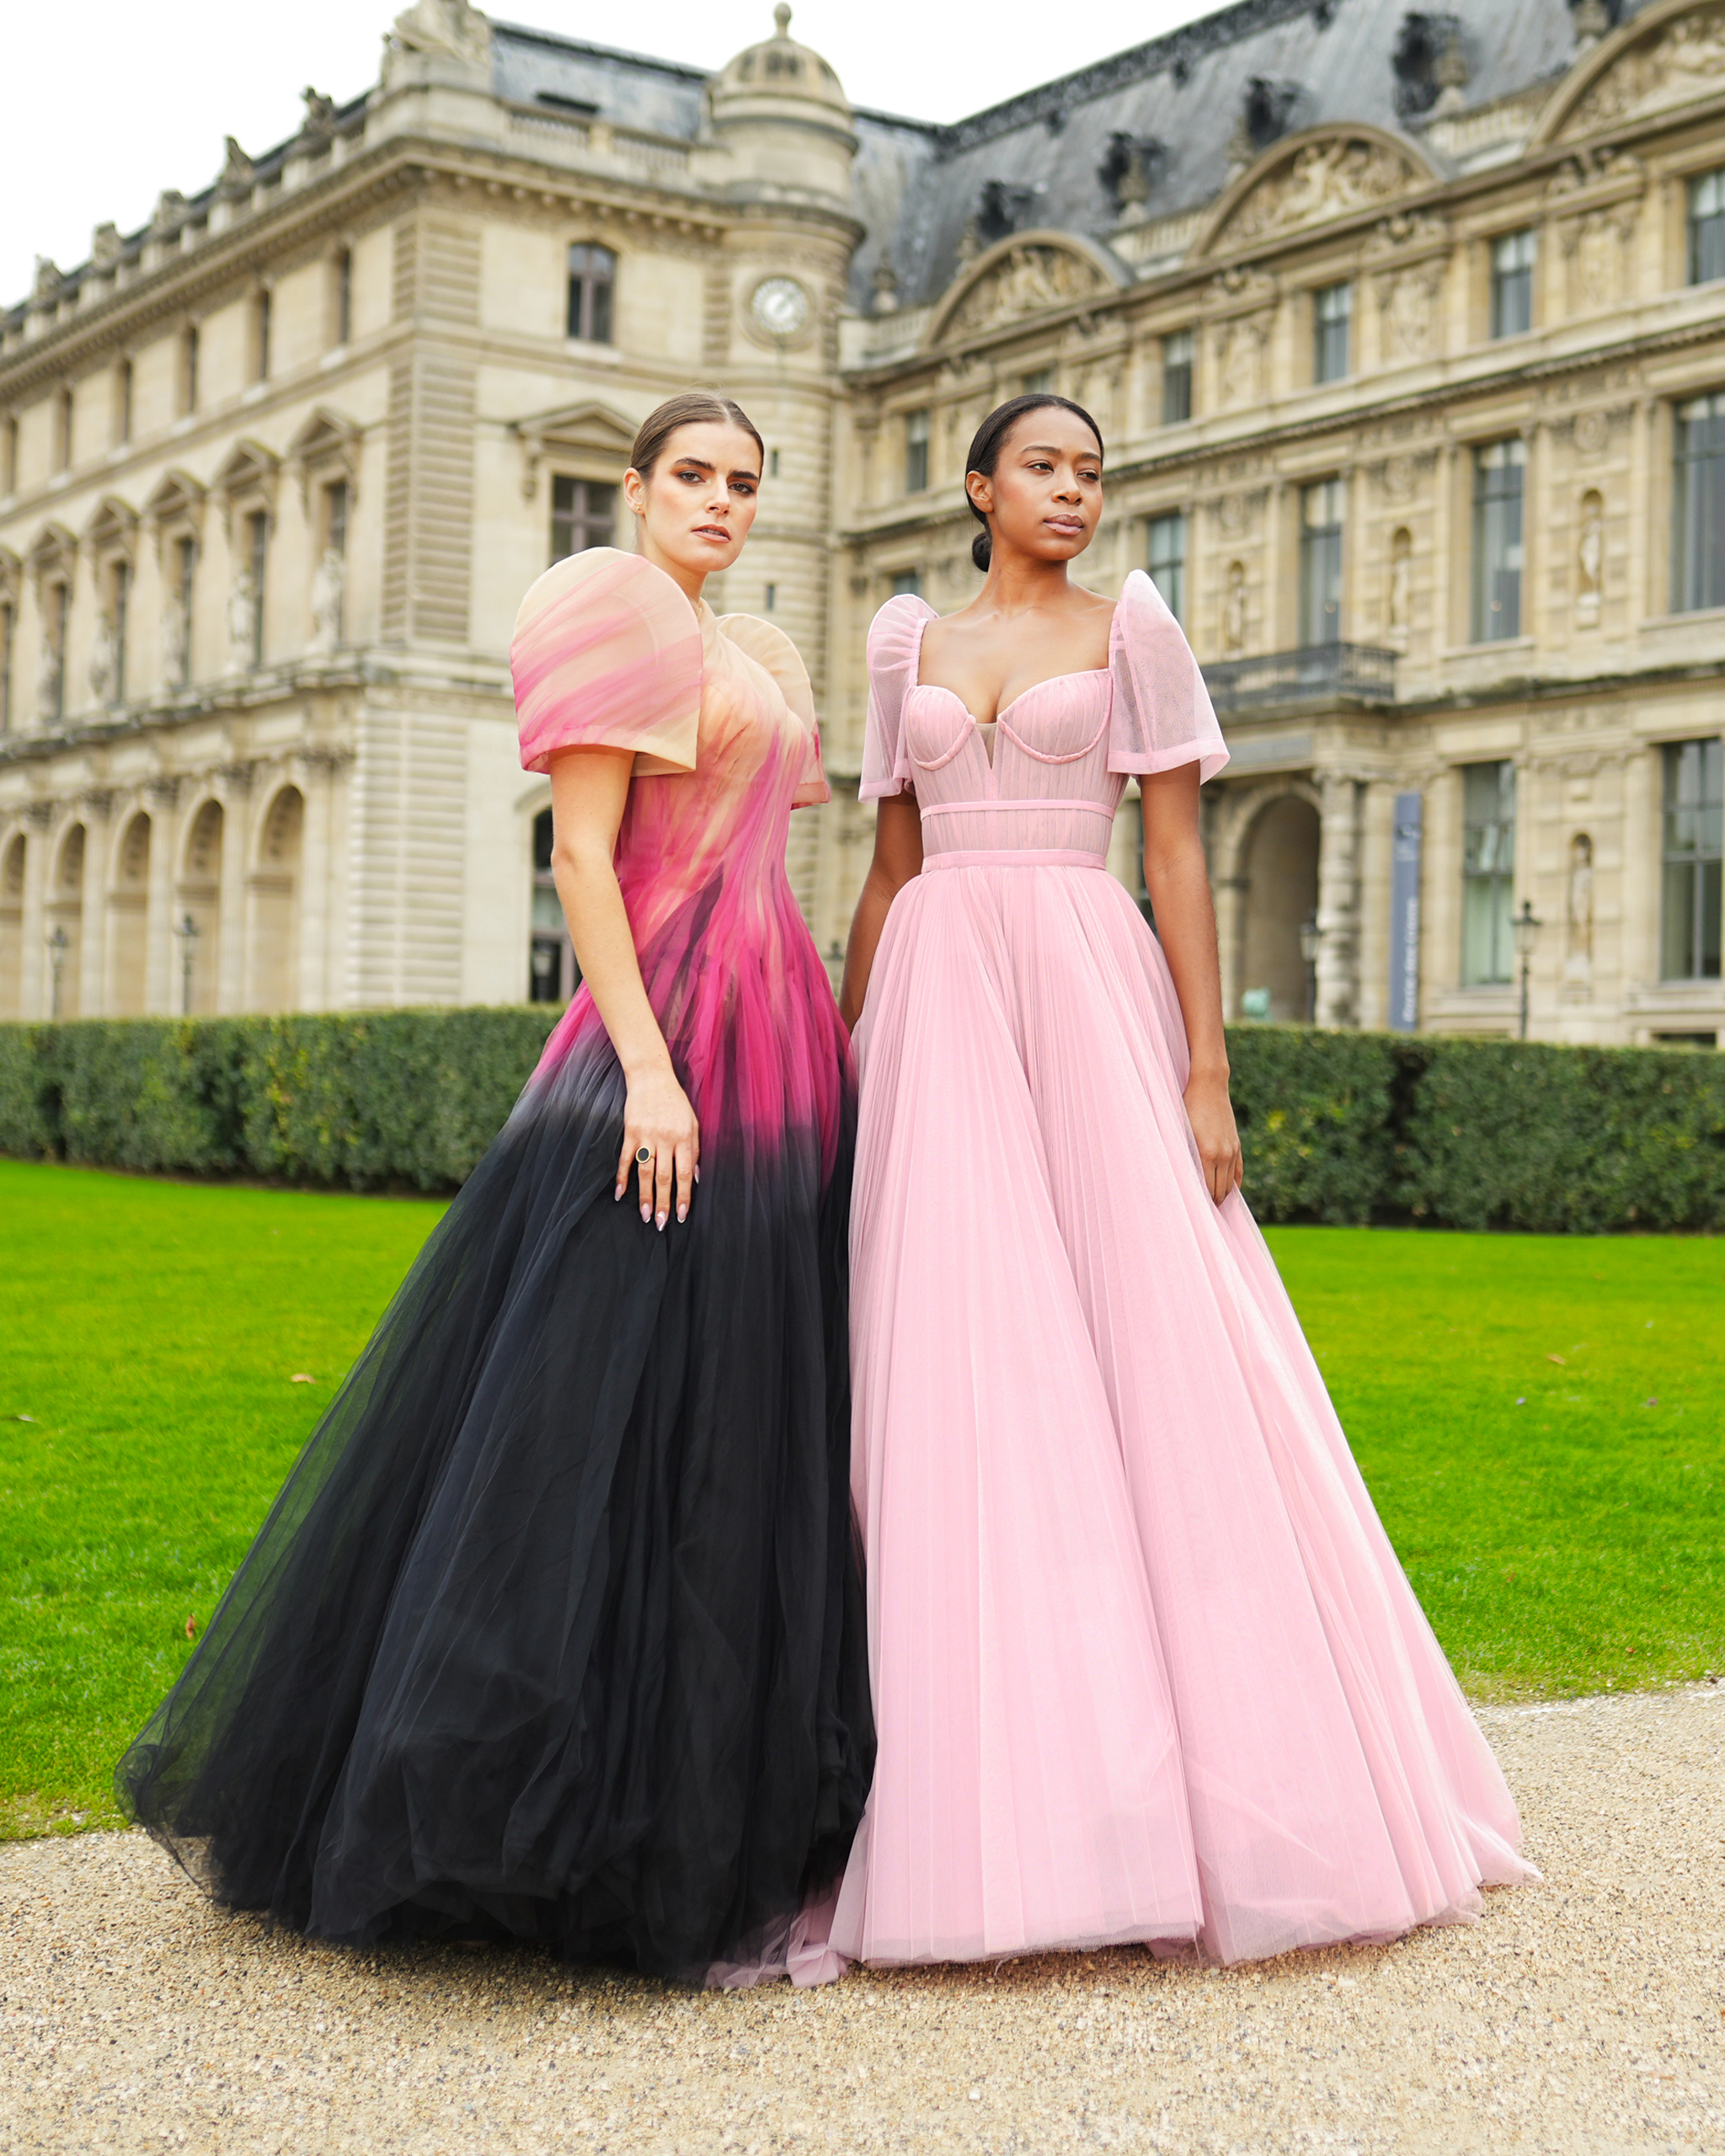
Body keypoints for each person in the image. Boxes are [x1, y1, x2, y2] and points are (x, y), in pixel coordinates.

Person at [117, 392, 873, 1988]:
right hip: (660, 1031)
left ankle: (702, 1798)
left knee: (740, 1422)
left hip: (780, 1032)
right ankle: (521, 1809)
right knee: (586, 1407)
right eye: (692, 476)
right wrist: (651, 1070)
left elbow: (772, 845)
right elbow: (583, 859)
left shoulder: (755, 651)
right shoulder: (612, 613)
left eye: (744, 482)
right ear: (635, 487)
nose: (721, 502)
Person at [829, 392, 1533, 1968]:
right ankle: (965, 1784)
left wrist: (1206, 1070)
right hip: (936, 1000)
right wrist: (846, 1046)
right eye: (1044, 467)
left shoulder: (1133, 629)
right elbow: (887, 871)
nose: (1073, 491)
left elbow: (1172, 861)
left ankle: (1192, 1787)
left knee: (1146, 1340)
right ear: (979, 487)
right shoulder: (902, 644)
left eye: (1092, 471)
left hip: (1087, 984)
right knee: (953, 1353)